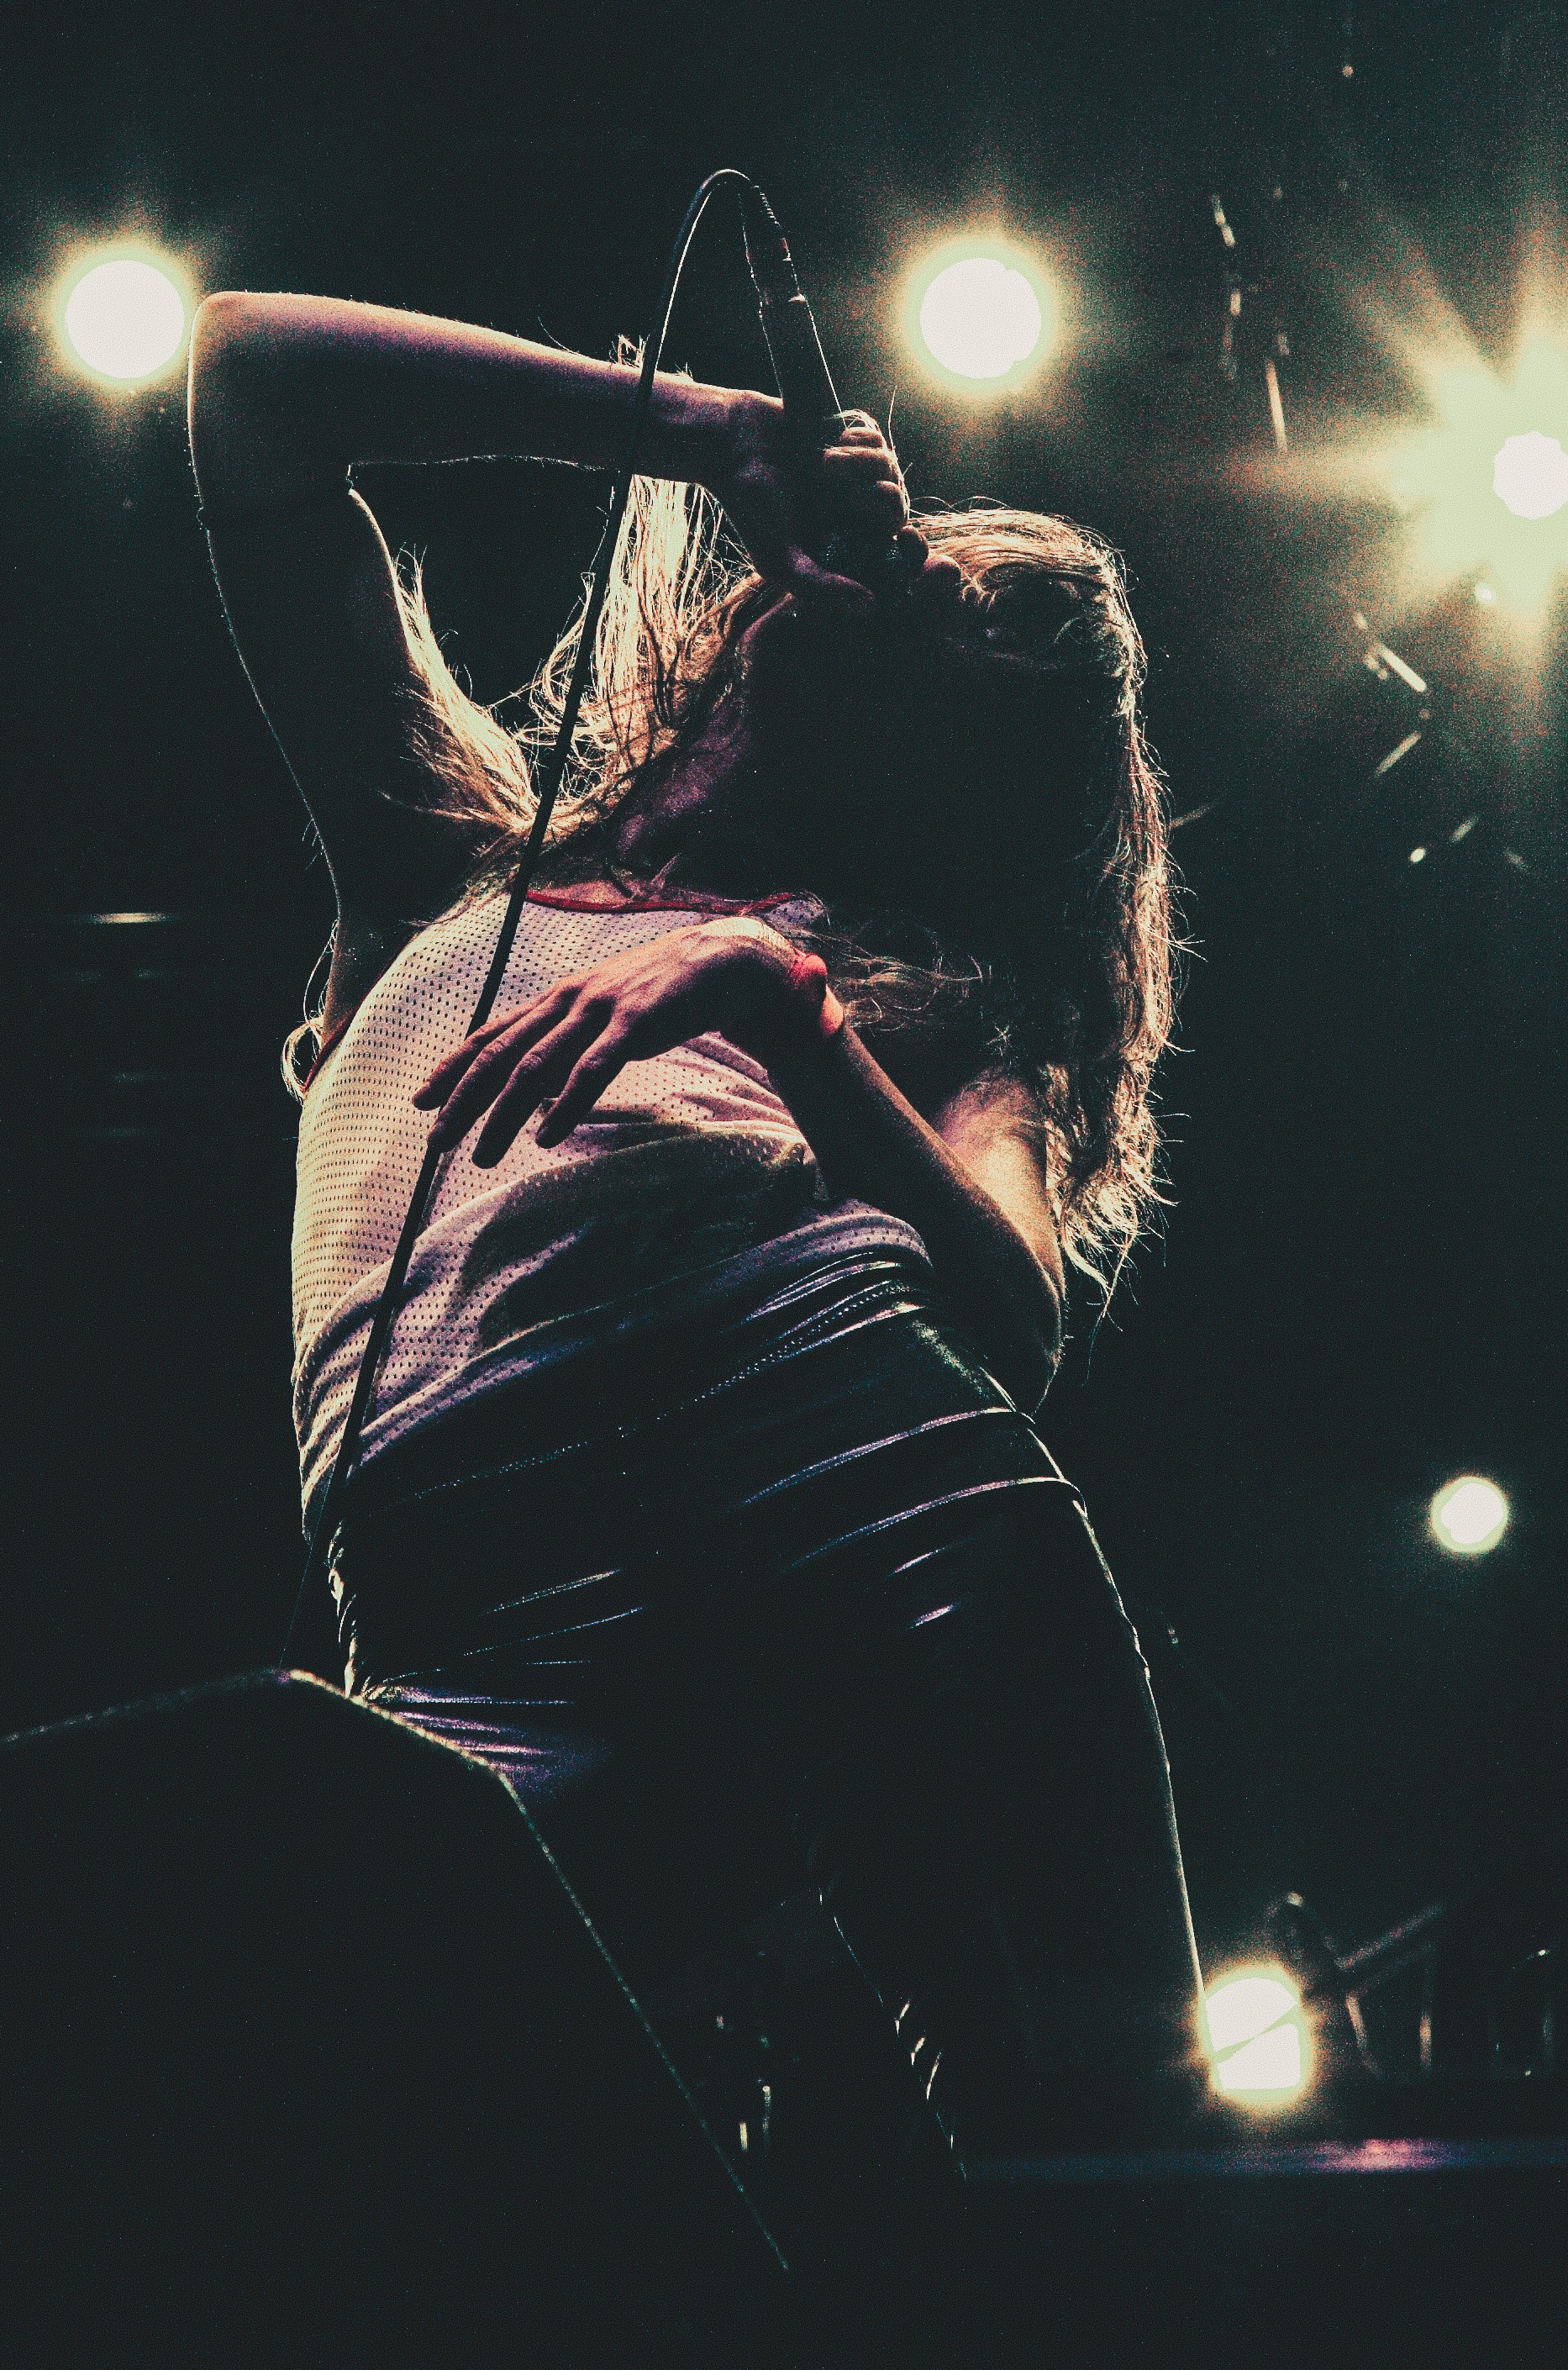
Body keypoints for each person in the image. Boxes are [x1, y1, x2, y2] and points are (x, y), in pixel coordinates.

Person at [187, 285, 1211, 2164]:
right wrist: (705, 430)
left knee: (1106, 2141)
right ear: (761, 607)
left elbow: (1017, 1315)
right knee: (399, 2169)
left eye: (965, 632)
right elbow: (249, 379)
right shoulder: (455, 857)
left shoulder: (927, 993)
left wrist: (773, 999)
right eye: (930, 563)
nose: (917, 578)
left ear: (956, 774)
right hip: (461, 1575)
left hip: (849, 1460)